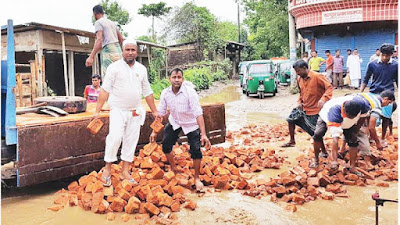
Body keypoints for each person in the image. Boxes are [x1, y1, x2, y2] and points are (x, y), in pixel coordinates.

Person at [93, 39, 160, 186]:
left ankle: (125, 171)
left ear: (136, 52)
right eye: (127, 49)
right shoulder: (114, 68)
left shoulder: (142, 69)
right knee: (115, 138)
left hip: (135, 111)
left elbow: (147, 91)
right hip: (117, 110)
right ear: (122, 51)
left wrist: (155, 111)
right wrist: (97, 111)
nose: (130, 52)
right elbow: (105, 90)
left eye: (133, 50)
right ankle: (107, 170)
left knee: (131, 141)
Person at [150, 68, 211, 191]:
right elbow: (161, 113)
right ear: (170, 79)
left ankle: (197, 178)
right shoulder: (165, 93)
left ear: (182, 79)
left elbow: (198, 113)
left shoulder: (190, 92)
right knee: (166, 145)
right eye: (174, 77)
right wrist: (154, 131)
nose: (176, 80)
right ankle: (174, 168)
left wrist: (203, 134)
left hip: (191, 123)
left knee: (195, 150)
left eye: (179, 77)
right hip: (175, 121)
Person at [281, 60, 332, 158]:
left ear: (305, 68)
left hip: (315, 109)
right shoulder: (300, 79)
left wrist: (323, 99)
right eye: (296, 72)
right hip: (304, 107)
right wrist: (299, 102)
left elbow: (329, 88)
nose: (297, 73)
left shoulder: (317, 76)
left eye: (298, 71)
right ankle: (292, 141)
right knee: (290, 119)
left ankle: (324, 151)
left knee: (315, 133)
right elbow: (301, 93)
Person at [312, 96, 363, 174]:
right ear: (345, 111)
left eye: (353, 117)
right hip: (326, 115)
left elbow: (364, 116)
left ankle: (352, 167)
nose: (351, 118)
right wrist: (334, 161)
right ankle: (316, 160)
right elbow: (335, 140)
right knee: (318, 134)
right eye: (349, 116)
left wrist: (356, 130)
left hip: (346, 122)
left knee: (353, 139)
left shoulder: (360, 105)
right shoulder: (334, 113)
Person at [361, 43, 398, 147]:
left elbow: (397, 80)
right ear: (380, 54)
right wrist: (361, 92)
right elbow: (366, 78)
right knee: (370, 116)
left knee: (386, 117)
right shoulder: (372, 64)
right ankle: (369, 136)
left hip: (388, 94)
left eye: (387, 55)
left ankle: (382, 138)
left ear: (391, 54)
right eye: (383, 55)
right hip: (374, 93)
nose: (385, 58)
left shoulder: (396, 65)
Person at [86, 5, 124, 76]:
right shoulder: (112, 23)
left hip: (108, 51)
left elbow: (99, 39)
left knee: (108, 76)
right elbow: (121, 38)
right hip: (118, 50)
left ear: (95, 14)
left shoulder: (98, 22)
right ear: (103, 13)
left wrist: (91, 56)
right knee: (119, 75)